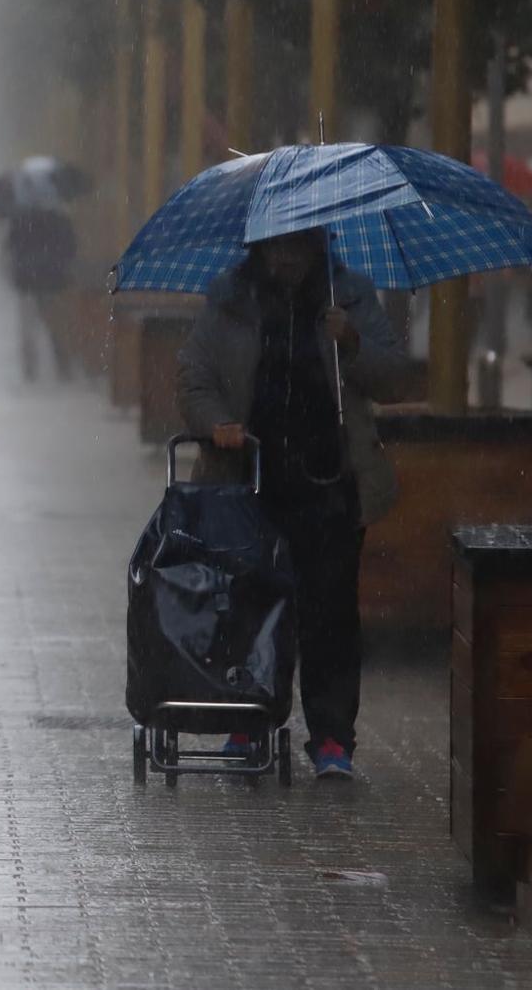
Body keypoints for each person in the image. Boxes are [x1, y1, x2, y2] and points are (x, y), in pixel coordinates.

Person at [175, 228, 406, 780]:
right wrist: (215, 426)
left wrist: (351, 343)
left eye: (297, 243)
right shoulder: (230, 299)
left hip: (331, 483)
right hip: (249, 482)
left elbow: (395, 376)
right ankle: (251, 719)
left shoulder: (348, 295)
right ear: (256, 244)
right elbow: (193, 380)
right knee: (250, 607)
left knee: (330, 615)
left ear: (318, 242)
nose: (285, 255)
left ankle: (331, 739)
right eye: (274, 243)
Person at [3, 179, 80, 382]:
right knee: (56, 323)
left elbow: (10, 246)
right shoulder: (60, 219)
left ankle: (30, 367)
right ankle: (62, 364)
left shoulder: (19, 219)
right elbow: (71, 247)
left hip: (27, 280)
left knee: (28, 325)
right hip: (54, 279)